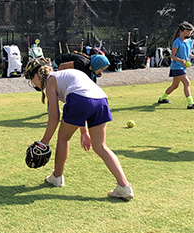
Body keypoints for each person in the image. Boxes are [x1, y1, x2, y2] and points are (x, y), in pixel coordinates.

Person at [24, 57, 134, 200]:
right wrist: (84, 131)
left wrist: (44, 142)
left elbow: (54, 117)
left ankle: (57, 177)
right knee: (101, 146)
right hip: (101, 100)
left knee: (63, 138)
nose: (33, 83)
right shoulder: (64, 75)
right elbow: (85, 95)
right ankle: (124, 186)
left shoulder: (51, 81)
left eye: (32, 79)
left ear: (37, 76)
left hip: (80, 100)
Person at [157, 21, 194, 109]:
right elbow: (172, 56)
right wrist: (182, 61)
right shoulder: (177, 42)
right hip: (176, 66)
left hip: (181, 66)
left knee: (175, 85)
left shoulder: (189, 41)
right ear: (181, 31)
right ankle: (190, 104)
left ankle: (162, 99)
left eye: (190, 32)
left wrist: (192, 56)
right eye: (186, 31)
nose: (189, 33)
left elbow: (187, 54)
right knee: (187, 83)